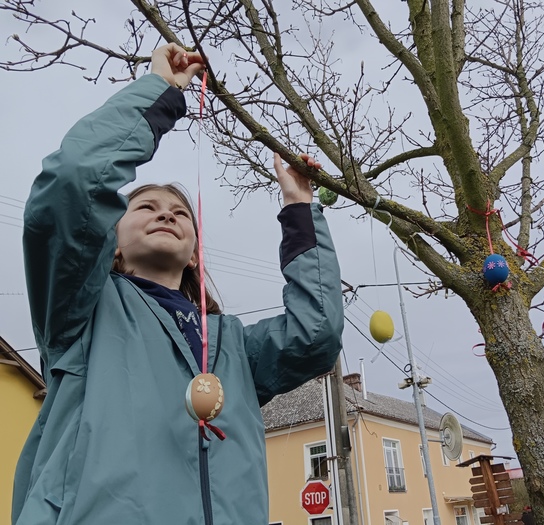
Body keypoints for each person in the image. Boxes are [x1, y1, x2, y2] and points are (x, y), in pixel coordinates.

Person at [12, 43, 344, 525]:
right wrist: (161, 90)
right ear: (112, 244)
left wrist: (299, 207)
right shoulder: (80, 310)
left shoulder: (234, 344)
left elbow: (317, 332)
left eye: (179, 213)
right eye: (146, 207)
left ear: (193, 255)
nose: (166, 213)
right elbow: (73, 184)